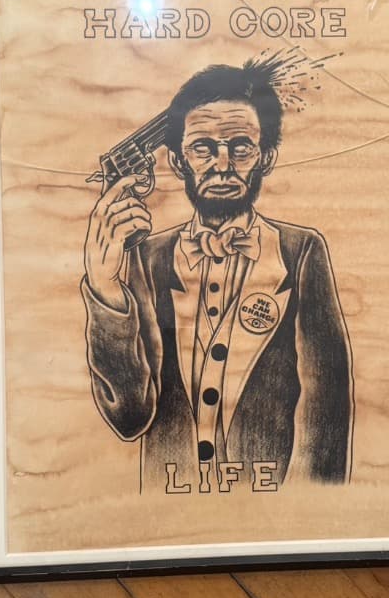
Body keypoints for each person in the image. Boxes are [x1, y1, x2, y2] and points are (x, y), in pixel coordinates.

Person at [81, 62, 354, 492]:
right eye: (203, 148)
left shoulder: (300, 251)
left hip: (273, 509)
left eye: (241, 147)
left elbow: (326, 404)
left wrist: (307, 514)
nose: (222, 165)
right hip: (167, 508)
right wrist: (104, 287)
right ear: (177, 160)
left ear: (266, 158)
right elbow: (129, 417)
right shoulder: (147, 257)